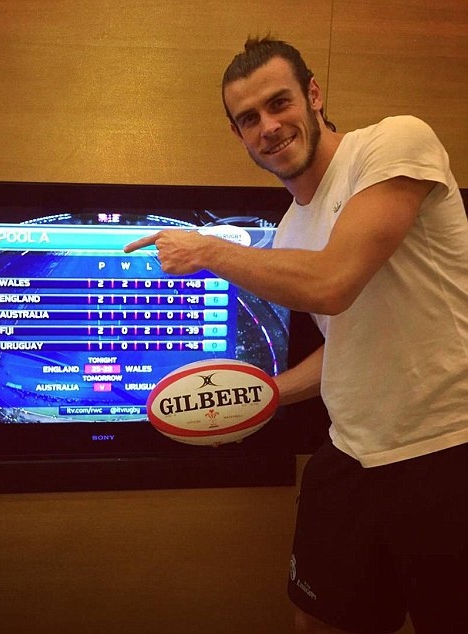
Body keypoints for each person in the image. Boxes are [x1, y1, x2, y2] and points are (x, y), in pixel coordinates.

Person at [124, 37, 468, 634]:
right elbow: (348, 344)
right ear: (238, 135)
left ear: (313, 94)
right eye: (248, 118)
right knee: (317, 618)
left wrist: (207, 250)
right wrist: (256, 397)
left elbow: (333, 282)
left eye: (279, 103)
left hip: (444, 450)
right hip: (351, 450)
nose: (269, 127)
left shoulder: (393, 143)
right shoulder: (288, 234)